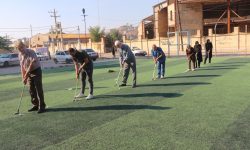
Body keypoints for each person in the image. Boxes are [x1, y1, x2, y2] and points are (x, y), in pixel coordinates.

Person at [16, 40, 46, 113]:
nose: (21, 50)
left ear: (24, 46)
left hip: (36, 71)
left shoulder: (31, 52)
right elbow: (22, 67)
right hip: (28, 72)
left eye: (21, 47)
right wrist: (23, 77)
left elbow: (31, 64)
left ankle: (42, 106)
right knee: (31, 89)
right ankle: (36, 105)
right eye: (19, 48)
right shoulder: (20, 55)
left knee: (38, 88)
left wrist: (26, 75)